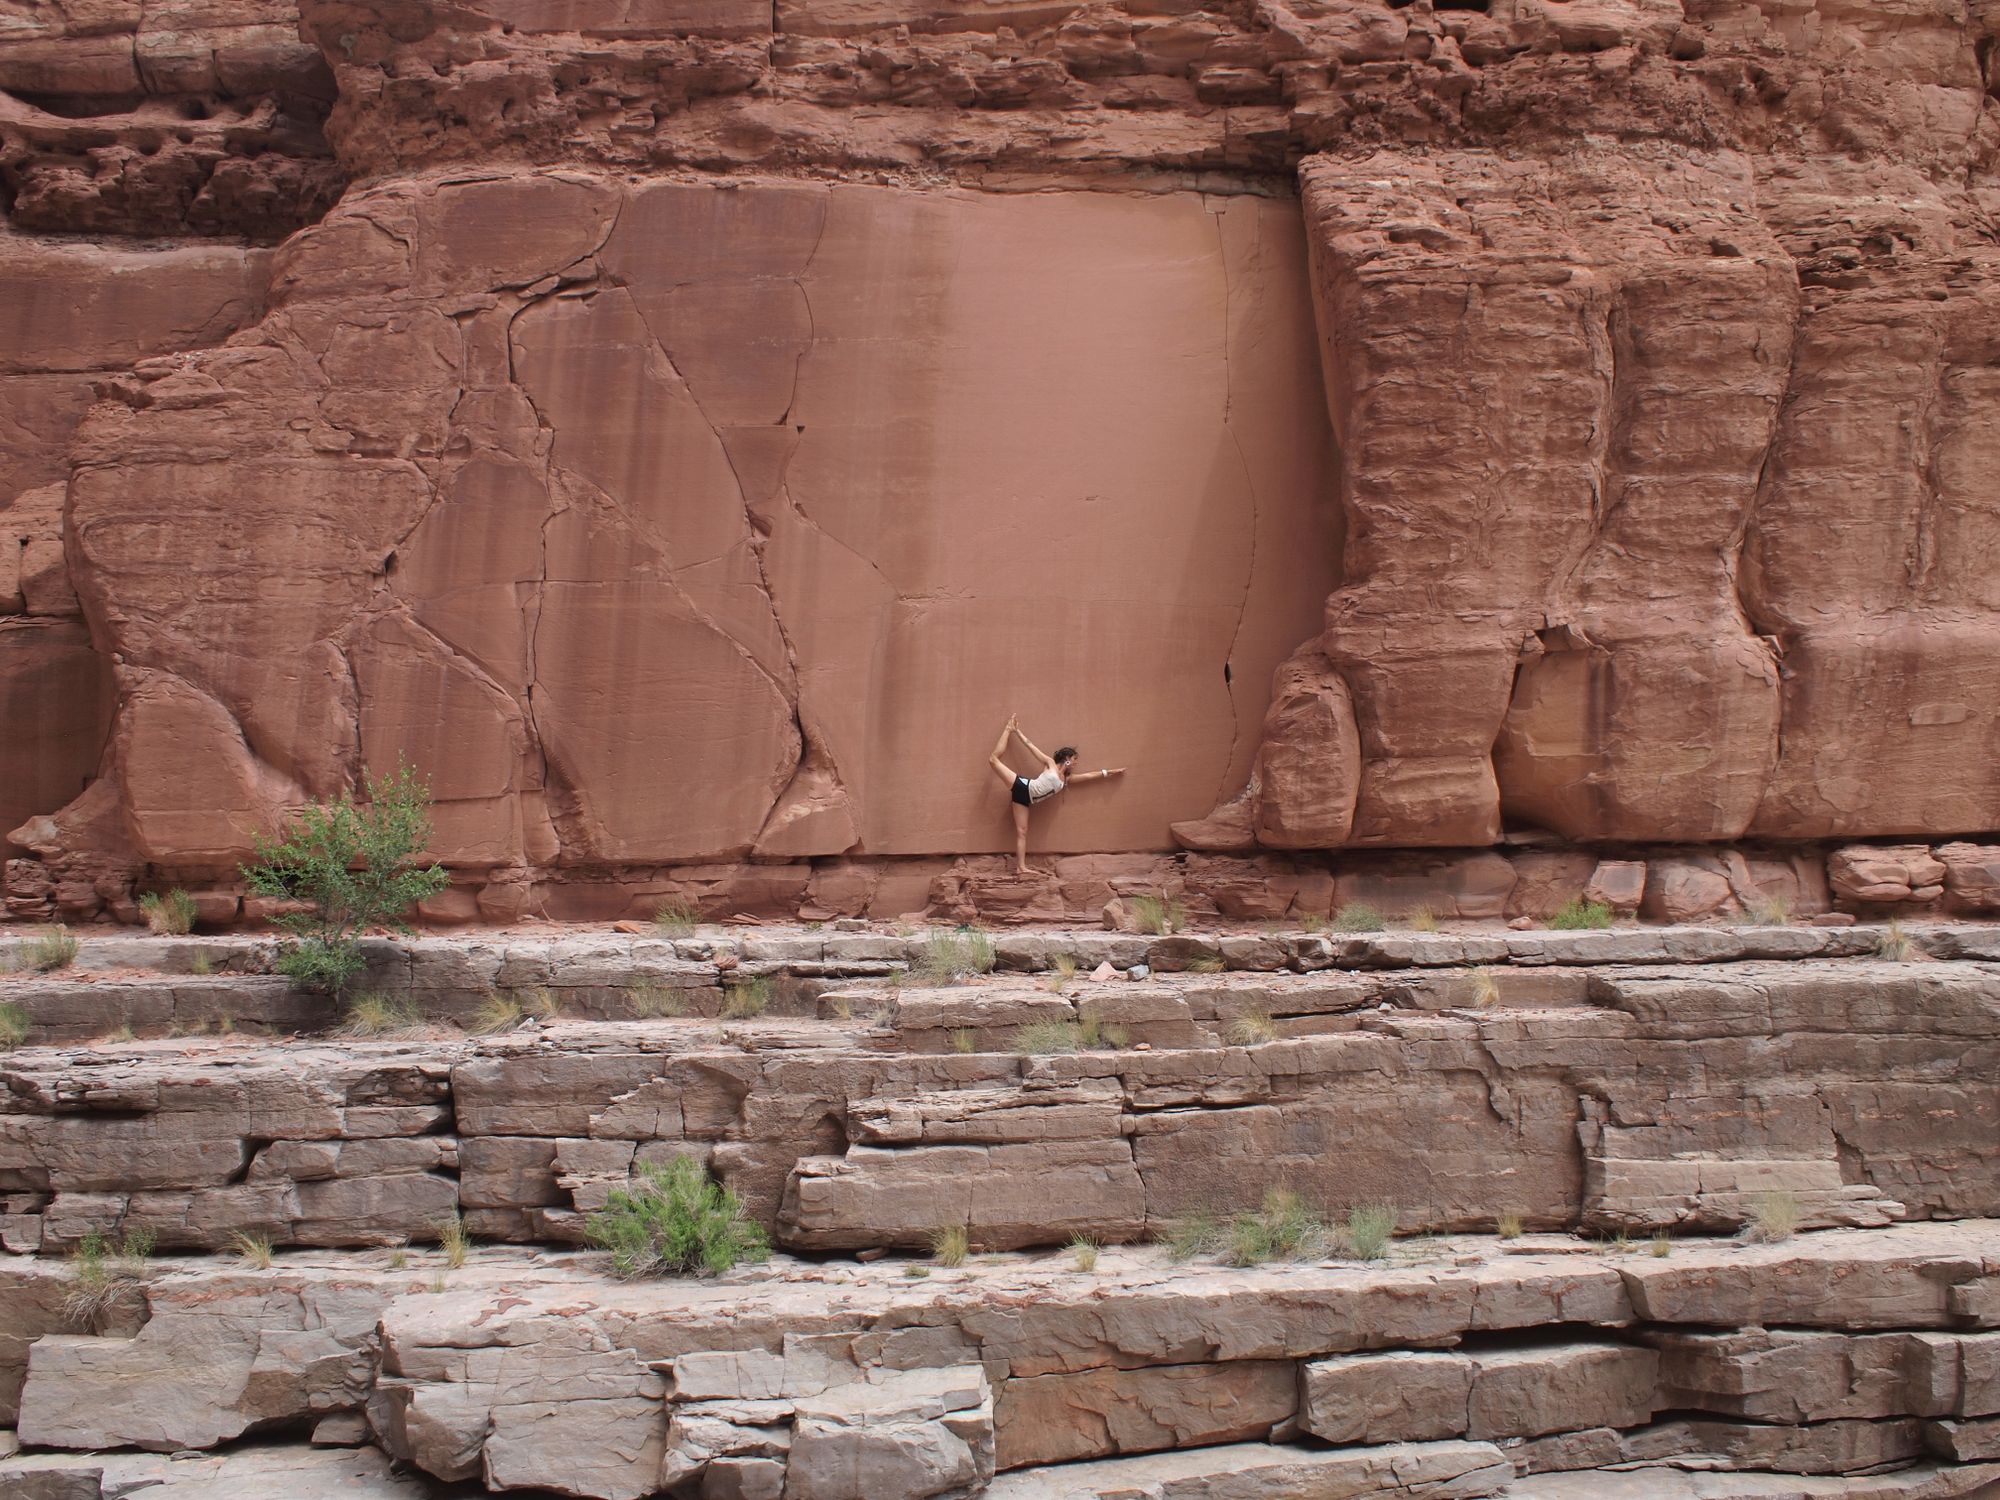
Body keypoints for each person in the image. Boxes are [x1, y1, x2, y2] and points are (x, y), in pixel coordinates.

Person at [987, 713, 1124, 876]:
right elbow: (1031, 747)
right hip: (1023, 786)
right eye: (1074, 758)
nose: (1076, 762)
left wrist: (1109, 772)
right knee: (993, 760)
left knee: (1022, 831)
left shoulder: (1066, 779)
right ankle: (1007, 729)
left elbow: (1088, 776)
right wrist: (1017, 732)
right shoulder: (1050, 764)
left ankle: (1021, 867)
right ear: (1067, 758)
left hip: (1025, 800)